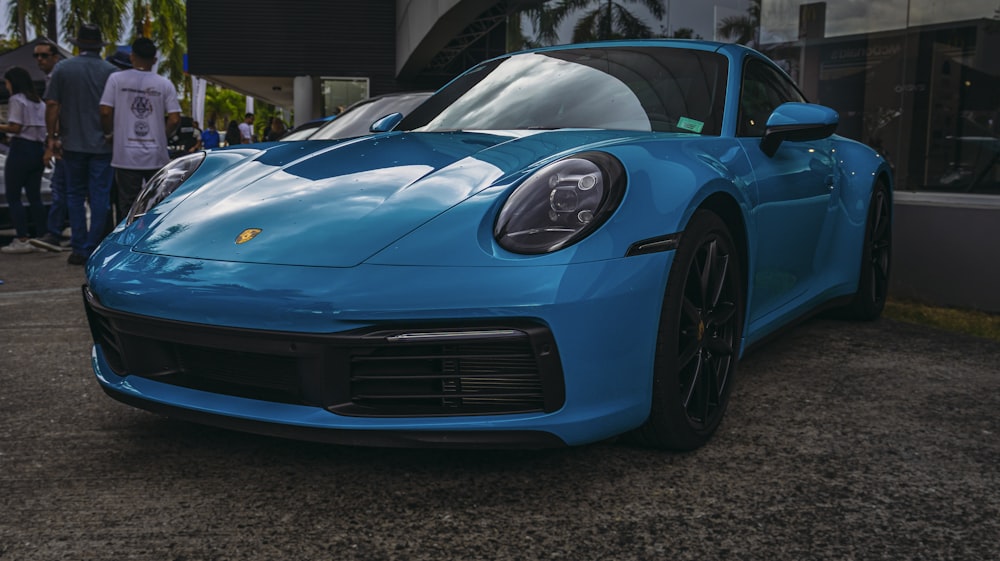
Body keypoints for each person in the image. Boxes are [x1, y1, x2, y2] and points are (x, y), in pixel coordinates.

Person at [43, 23, 117, 265]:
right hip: (102, 144)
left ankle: (79, 247)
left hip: (72, 142)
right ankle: (94, 245)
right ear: (99, 46)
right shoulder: (110, 71)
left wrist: (52, 136)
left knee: (74, 195)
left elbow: (52, 105)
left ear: (78, 45)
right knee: (99, 197)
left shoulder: (62, 69)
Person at [99, 37, 181, 218]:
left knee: (128, 206)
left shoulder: (116, 79)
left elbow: (105, 111)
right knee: (156, 205)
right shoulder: (164, 84)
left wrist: (110, 134)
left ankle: (126, 242)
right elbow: (174, 119)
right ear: (154, 60)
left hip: (125, 155)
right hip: (156, 155)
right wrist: (162, 136)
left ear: (132, 57)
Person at [0, 67, 48, 254]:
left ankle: (22, 237)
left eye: (7, 82)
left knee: (14, 196)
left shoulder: (16, 100)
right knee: (34, 196)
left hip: (20, 148)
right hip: (37, 149)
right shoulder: (39, 103)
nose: (7, 86)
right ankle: (42, 235)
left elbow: (15, 127)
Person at [28, 39, 69, 253]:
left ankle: (54, 233)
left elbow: (56, 109)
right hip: (70, 141)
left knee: (60, 188)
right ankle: (63, 233)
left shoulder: (57, 76)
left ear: (55, 57)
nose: (39, 60)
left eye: (44, 55)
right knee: (68, 189)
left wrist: (53, 140)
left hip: (64, 141)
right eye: (36, 56)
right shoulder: (55, 76)